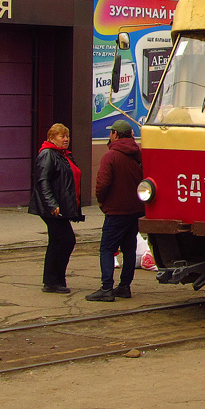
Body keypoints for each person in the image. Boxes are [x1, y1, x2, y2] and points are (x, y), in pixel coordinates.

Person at [87, 119, 145, 302]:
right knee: (129, 249)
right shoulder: (138, 154)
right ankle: (124, 287)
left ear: (115, 135)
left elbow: (102, 184)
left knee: (107, 248)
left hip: (116, 211)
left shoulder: (110, 156)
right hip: (135, 209)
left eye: (111, 133)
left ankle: (106, 288)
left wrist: (102, 202)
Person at [28, 123, 84, 293]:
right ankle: (54, 280)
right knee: (66, 240)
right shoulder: (48, 154)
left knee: (56, 242)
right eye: (61, 136)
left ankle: (54, 280)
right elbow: (42, 181)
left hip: (60, 207)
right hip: (52, 209)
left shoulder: (62, 155)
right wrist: (52, 204)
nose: (66, 139)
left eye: (67, 136)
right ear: (51, 138)